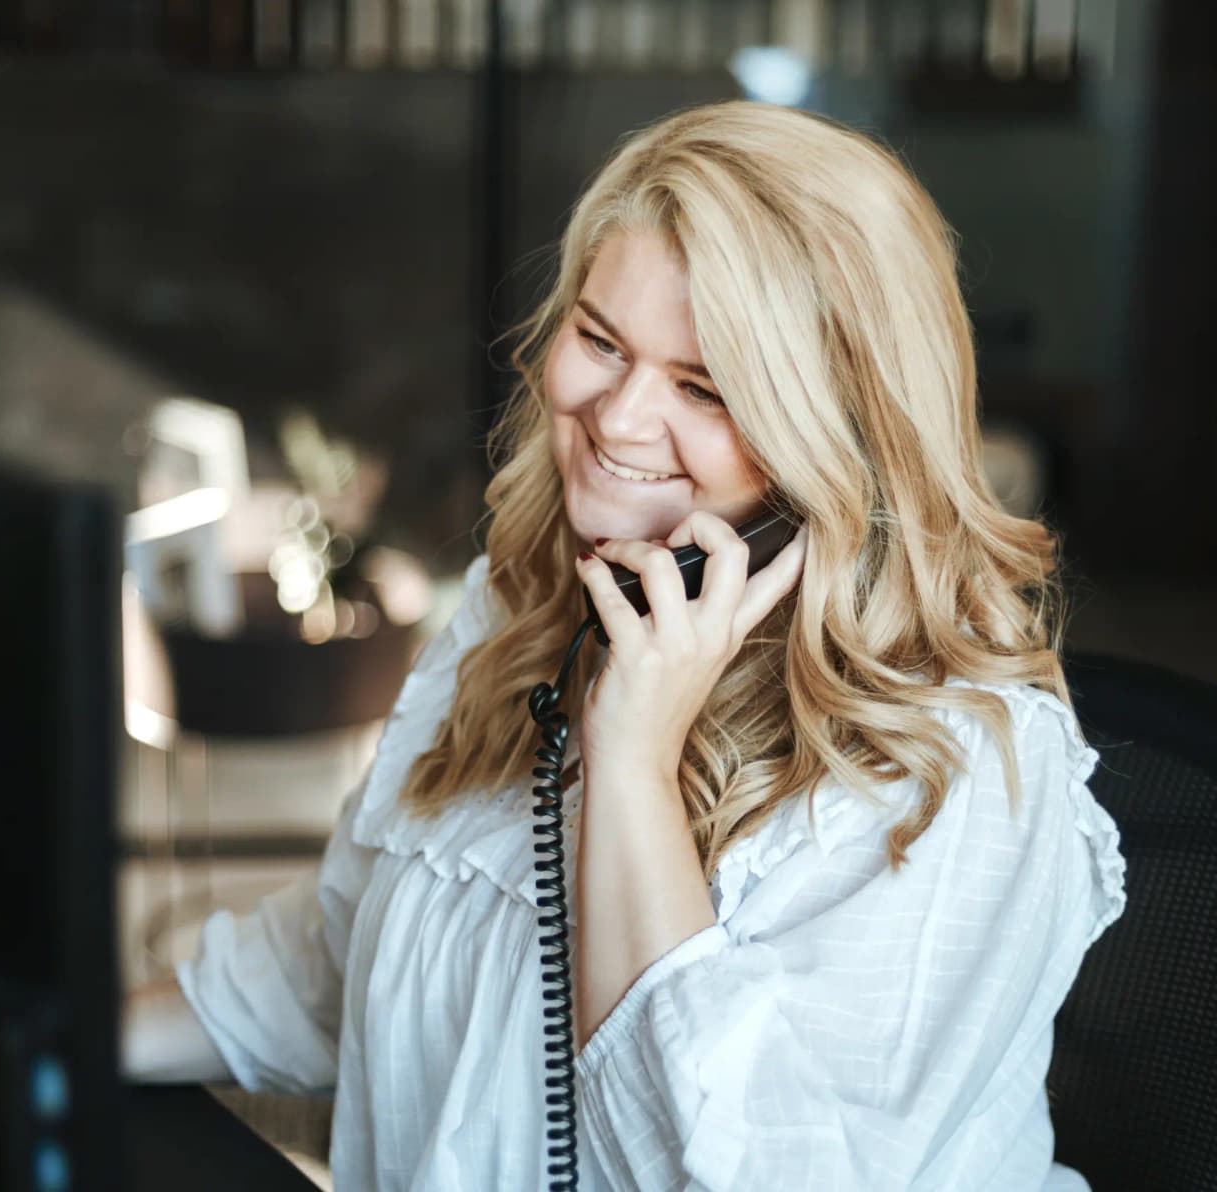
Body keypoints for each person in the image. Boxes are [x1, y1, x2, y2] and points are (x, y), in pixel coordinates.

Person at [123, 99, 1127, 1190]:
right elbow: (345, 961)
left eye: (704, 388)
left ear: (837, 442)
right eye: (600, 341)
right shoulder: (524, 617)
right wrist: (56, 1020)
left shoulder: (962, 770)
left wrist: (634, 768)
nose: (618, 419)